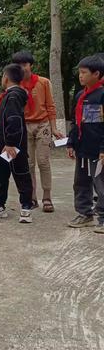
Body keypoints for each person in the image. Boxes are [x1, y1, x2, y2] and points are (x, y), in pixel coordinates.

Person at [12, 51, 64, 211]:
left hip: (42, 125)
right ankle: (31, 197)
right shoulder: (15, 85)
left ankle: (47, 197)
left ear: (31, 65)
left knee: (43, 161)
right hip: (24, 125)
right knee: (28, 163)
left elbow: (50, 106)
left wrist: (54, 127)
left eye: (25, 64)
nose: (22, 68)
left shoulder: (43, 82)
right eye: (19, 65)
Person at [0, 64, 33, 223]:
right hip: (2, 144)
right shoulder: (9, 95)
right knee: (1, 175)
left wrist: (10, 143)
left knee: (21, 174)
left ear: (5, 78)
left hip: (12, 146)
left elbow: (13, 121)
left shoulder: (13, 97)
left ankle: (26, 207)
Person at [67, 56, 104, 232]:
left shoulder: (101, 95)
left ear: (96, 74)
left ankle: (103, 218)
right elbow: (77, 121)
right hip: (83, 147)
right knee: (81, 183)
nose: (80, 76)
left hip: (98, 150)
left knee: (101, 184)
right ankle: (85, 214)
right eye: (79, 72)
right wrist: (71, 143)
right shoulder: (81, 95)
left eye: (84, 73)